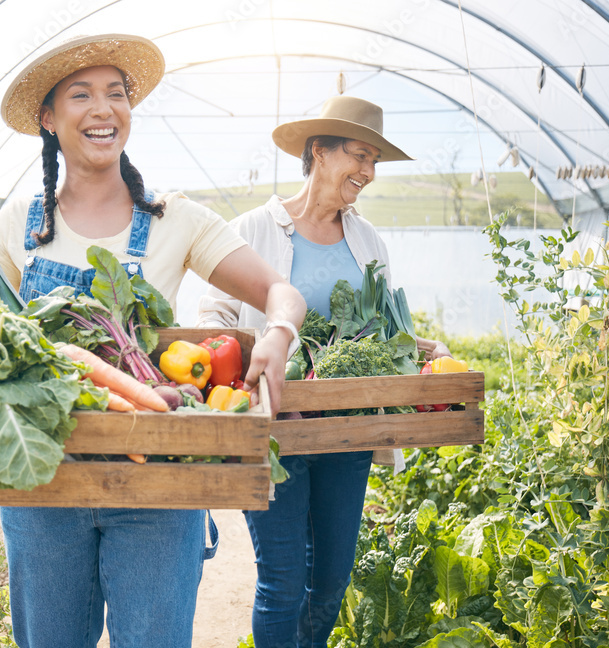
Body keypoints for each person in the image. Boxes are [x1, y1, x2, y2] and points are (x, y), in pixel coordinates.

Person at [0, 34, 306, 648]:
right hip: (42, 485)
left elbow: (281, 293)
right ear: (48, 119)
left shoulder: (175, 218)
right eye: (81, 95)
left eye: (117, 93)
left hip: (158, 483)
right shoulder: (16, 226)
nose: (103, 109)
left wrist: (280, 332)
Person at [196, 96, 452, 648]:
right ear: (319, 151)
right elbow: (212, 317)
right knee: (283, 581)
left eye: (375, 160)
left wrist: (417, 349)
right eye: (360, 155)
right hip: (274, 435)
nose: (368, 172)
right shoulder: (253, 230)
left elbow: (382, 328)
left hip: (346, 433)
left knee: (331, 582)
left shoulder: (367, 240)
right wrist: (255, 359)